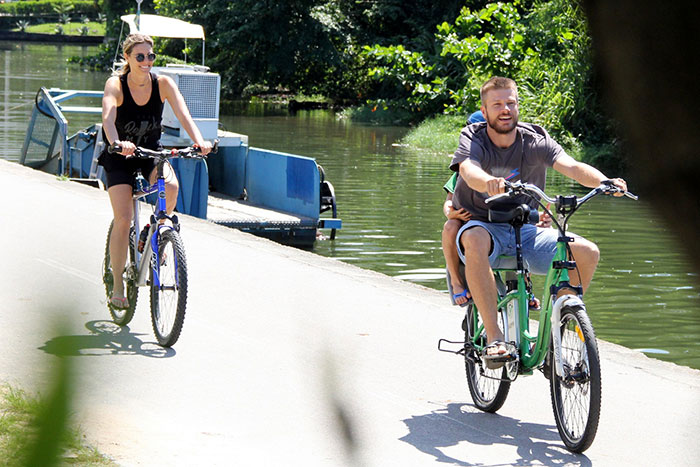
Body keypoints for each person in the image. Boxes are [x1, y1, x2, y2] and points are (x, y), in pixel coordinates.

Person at [450, 76, 627, 364]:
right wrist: (488, 182)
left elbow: (571, 165)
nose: (505, 109)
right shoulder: (474, 136)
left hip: (526, 229)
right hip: (483, 225)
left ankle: (557, 325)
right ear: (484, 111)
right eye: (497, 104)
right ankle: (495, 339)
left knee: (587, 252)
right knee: (474, 237)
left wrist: (604, 180)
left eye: (511, 102)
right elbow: (468, 169)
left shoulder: (535, 139)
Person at [99, 33, 212, 309]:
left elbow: (184, 114)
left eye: (151, 56)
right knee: (124, 218)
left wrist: (199, 140)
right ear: (127, 57)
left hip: (150, 152)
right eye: (140, 56)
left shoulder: (163, 84)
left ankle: (156, 232)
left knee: (170, 187)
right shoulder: (116, 84)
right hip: (120, 156)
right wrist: (116, 143)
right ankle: (117, 287)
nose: (146, 61)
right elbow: (108, 117)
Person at [442, 111, 484, 306]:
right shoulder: (463, 167)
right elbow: (449, 200)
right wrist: (451, 212)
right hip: (467, 218)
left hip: (495, 218)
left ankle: (525, 285)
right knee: (450, 227)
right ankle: (456, 281)